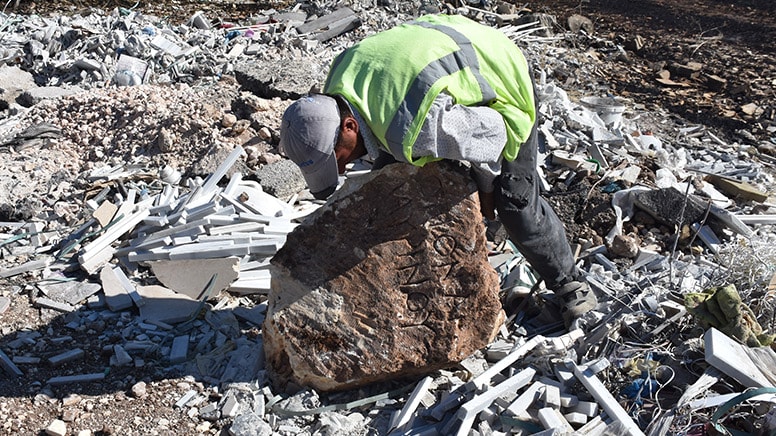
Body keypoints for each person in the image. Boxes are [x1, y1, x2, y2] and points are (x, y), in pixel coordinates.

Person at [278, 13, 596, 328]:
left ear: (349, 126)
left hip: (500, 77)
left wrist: (487, 194)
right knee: (389, 191)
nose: (344, 167)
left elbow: (494, 138)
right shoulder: (337, 85)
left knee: (515, 204)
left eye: (338, 158)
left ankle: (571, 285)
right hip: (445, 58)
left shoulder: (420, 127)